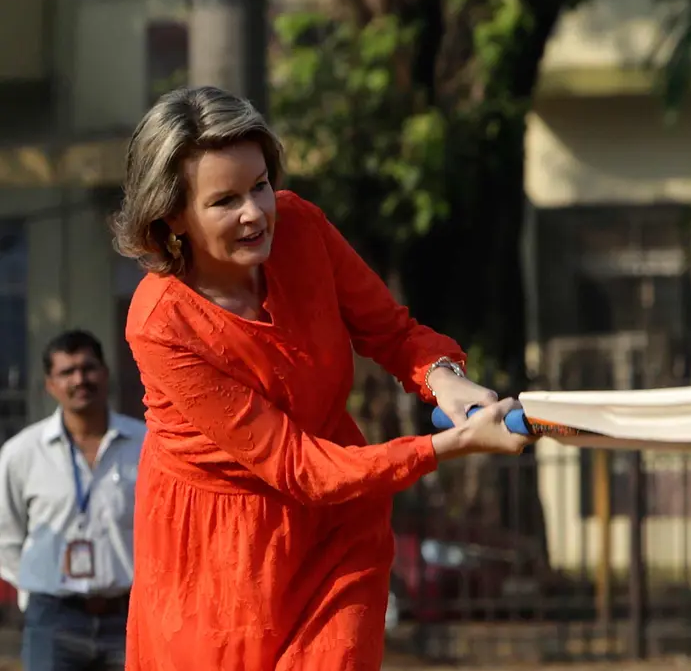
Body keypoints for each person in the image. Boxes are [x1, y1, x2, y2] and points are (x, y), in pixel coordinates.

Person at [108, 85, 533, 670]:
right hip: (221, 557)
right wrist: (447, 446)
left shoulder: (301, 226)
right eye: (224, 200)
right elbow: (295, 467)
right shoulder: (161, 323)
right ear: (172, 216)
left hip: (341, 522)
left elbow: (390, 331)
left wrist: (445, 380)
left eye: (259, 185)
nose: (255, 212)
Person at [0, 330, 146, 671]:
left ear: (105, 373)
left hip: (129, 616)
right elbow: (5, 536)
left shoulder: (146, 444)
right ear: (50, 384)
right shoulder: (21, 453)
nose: (80, 379)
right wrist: (35, 585)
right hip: (53, 620)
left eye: (88, 368)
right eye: (67, 372)